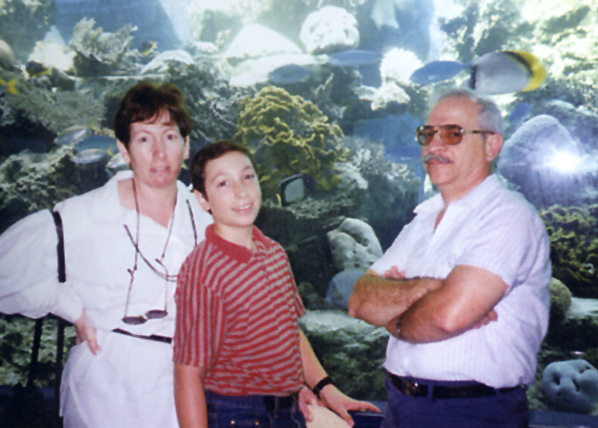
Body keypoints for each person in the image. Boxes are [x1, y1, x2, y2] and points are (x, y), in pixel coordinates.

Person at [0, 81, 213, 427]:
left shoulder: (207, 222)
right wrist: (68, 306)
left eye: (170, 136)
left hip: (186, 394)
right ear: (124, 150)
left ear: (186, 145)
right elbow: (5, 271)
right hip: (104, 393)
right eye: (143, 139)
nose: (159, 152)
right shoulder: (84, 216)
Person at [348, 88, 551, 427]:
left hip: (472, 412)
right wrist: (429, 288)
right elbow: (359, 301)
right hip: (399, 406)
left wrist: (394, 320)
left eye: (453, 133)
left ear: (492, 145)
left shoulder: (509, 216)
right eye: (427, 133)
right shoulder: (422, 221)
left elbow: (446, 317)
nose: (434, 145)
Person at [173, 140, 379, 428]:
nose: (241, 191)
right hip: (236, 413)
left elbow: (288, 330)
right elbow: (187, 374)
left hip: (288, 408)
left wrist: (325, 389)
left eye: (247, 177)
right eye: (223, 183)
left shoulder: (274, 253)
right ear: (202, 199)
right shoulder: (204, 271)